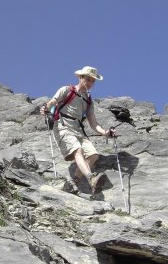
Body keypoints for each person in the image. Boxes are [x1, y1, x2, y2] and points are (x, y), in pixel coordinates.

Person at [40, 66, 115, 195]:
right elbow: (53, 101)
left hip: (78, 130)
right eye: (88, 79)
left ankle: (73, 183)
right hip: (62, 126)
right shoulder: (66, 90)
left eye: (93, 81)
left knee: (93, 155)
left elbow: (93, 122)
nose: (90, 83)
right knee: (78, 150)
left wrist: (105, 133)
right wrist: (45, 107)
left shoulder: (88, 101)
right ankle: (91, 179)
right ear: (80, 78)